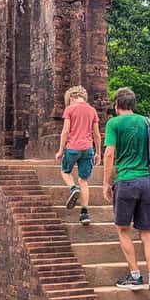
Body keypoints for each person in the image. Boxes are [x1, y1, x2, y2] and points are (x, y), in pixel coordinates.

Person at [102, 87, 150, 300]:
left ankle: (136, 276)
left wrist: (106, 183)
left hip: (126, 181)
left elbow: (109, 153)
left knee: (123, 229)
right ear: (133, 104)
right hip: (147, 182)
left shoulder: (114, 124)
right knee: (147, 233)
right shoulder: (145, 122)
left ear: (117, 105)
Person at [55, 86, 101, 225]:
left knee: (65, 171)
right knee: (84, 181)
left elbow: (65, 131)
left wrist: (60, 150)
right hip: (88, 149)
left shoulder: (69, 109)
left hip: (72, 148)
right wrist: (98, 152)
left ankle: (73, 188)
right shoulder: (92, 110)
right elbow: (97, 135)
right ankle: (84, 214)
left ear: (71, 97)